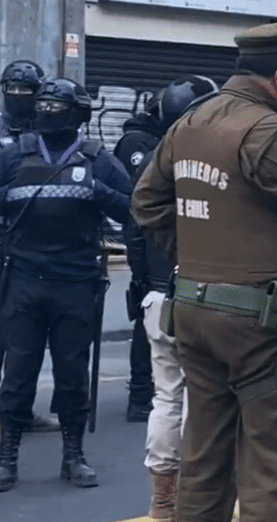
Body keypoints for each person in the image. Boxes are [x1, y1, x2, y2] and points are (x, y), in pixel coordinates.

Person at [131, 13, 277, 522]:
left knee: (204, 461)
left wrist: (200, 257)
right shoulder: (270, 133)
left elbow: (146, 204)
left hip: (195, 309)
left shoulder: (190, 123)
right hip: (262, 321)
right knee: (272, 472)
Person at [0, 78, 131, 492]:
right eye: (45, 105)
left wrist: (96, 191)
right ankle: (6, 457)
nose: (49, 112)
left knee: (72, 374)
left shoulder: (98, 160)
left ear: (77, 113)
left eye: (58, 105)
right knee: (18, 375)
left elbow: (133, 209)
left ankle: (73, 456)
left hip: (75, 281)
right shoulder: (15, 155)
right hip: (23, 278)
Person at [128, 75, 218, 522]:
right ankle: (191, 499)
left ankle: (163, 501)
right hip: (197, 296)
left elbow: (136, 226)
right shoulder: (209, 166)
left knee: (167, 398)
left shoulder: (154, 168)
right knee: (203, 400)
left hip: (158, 297)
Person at [0, 60, 62, 434]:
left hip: (32, 246)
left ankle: (18, 409)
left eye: (27, 91)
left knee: (23, 337)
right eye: (12, 89)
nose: (19, 97)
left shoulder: (49, 131)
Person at [114, 89, 167, 423]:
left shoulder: (161, 145)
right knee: (147, 328)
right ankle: (139, 395)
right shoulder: (140, 145)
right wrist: (139, 266)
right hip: (151, 249)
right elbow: (135, 207)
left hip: (154, 248)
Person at [0, 60, 44, 142]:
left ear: (38, 92)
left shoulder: (49, 129)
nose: (17, 93)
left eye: (24, 89)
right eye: (11, 89)